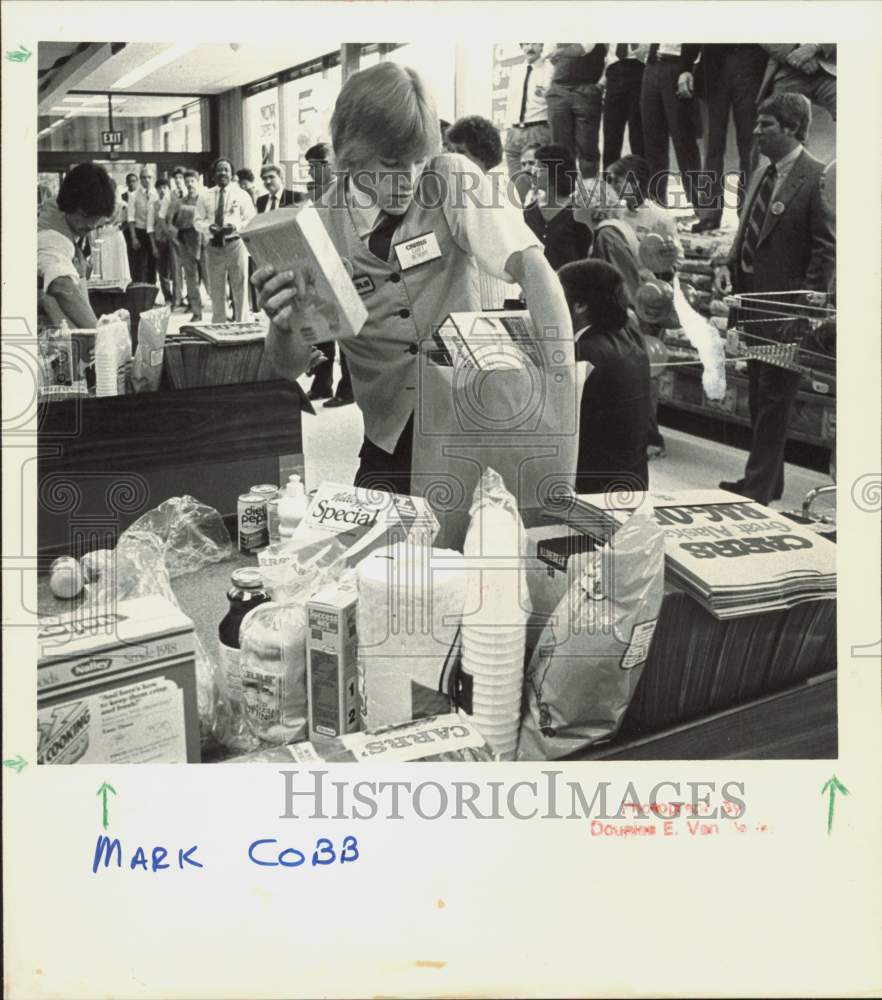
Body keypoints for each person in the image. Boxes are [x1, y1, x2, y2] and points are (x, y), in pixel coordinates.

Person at [254, 60, 575, 495]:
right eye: (390, 164)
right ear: (349, 154)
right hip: (387, 436)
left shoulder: (450, 178)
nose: (408, 179)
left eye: (418, 161)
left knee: (480, 547)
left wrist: (560, 381)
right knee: (374, 554)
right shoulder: (320, 227)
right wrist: (284, 322)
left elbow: (532, 268)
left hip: (471, 415)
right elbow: (288, 366)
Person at [714, 94, 836, 505]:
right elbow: (747, 226)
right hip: (751, 306)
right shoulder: (762, 174)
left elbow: (825, 250)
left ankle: (758, 488)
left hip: (786, 312)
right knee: (758, 395)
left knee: (774, 401)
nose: (755, 131)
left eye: (765, 124)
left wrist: (804, 311)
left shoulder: (817, 177)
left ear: (790, 128)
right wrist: (728, 265)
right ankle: (767, 479)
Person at [557, 259, 650, 494]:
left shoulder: (583, 355)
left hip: (593, 491)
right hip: (633, 482)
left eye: (557, 295)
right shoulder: (629, 337)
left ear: (579, 306)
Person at [38, 161, 116, 329]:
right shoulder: (52, 237)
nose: (91, 225)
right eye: (84, 215)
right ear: (68, 207)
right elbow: (61, 285)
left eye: (96, 218)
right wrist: (100, 335)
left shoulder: (60, 206)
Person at [640, 44, 704, 212]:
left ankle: (698, 205)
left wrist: (687, 68)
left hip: (678, 67)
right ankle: (657, 203)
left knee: (684, 138)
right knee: (652, 138)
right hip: (652, 65)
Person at [195, 157, 255, 322]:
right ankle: (218, 325)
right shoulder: (204, 196)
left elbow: (251, 219)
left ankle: (242, 324)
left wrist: (236, 227)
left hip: (235, 244)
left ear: (231, 174)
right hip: (213, 246)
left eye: (226, 170)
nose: (223, 173)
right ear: (213, 175)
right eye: (219, 170)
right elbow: (197, 221)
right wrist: (209, 227)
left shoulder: (241, 195)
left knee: (240, 287)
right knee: (216, 290)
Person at [523, 143, 591, 271]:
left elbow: (585, 260)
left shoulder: (578, 213)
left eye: (541, 167)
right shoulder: (528, 213)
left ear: (557, 172)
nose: (533, 171)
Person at [544, 43, 607, 178]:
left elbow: (584, 48)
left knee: (587, 146)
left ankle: (590, 192)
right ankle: (563, 193)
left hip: (585, 88)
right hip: (559, 88)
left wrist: (600, 86)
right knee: (560, 149)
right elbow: (548, 54)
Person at [503, 44, 554, 206]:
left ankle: (539, 221)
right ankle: (524, 218)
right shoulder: (517, 71)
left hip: (538, 128)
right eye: (526, 43)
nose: (530, 47)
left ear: (541, 45)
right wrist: (509, 128)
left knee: (539, 182)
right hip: (515, 130)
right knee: (517, 184)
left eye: (534, 43)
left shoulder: (550, 70)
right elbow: (512, 102)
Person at [757, 44, 836, 120]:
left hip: (830, 67)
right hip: (786, 69)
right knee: (778, 120)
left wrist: (817, 46)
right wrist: (795, 54)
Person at [602, 44, 648, 170]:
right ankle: (610, 180)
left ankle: (641, 181)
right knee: (611, 133)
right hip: (614, 72)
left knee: (638, 134)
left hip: (640, 70)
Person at [170, 169, 205, 321]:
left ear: (198, 182)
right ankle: (196, 311)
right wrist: (177, 240)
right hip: (186, 241)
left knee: (209, 277)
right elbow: (172, 223)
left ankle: (220, 310)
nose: (190, 184)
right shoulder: (180, 202)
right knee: (191, 277)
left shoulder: (204, 199)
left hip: (204, 241)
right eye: (187, 182)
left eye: (192, 181)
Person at [127, 166, 158, 284]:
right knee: (139, 263)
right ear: (140, 179)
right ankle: (139, 292)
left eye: (149, 177)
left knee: (153, 263)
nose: (147, 180)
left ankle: (152, 291)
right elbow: (130, 218)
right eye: (144, 177)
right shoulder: (133, 195)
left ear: (153, 178)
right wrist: (134, 238)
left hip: (154, 233)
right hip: (139, 232)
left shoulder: (157, 194)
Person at [153, 177, 176, 306]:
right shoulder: (154, 205)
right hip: (160, 240)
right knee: (163, 270)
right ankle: (168, 296)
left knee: (175, 268)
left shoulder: (172, 203)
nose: (162, 190)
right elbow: (151, 225)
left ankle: (178, 296)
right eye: (159, 188)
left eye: (164, 187)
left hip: (173, 240)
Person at [120, 172, 138, 276]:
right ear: (126, 183)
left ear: (137, 182)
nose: (131, 183)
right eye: (129, 181)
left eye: (134, 181)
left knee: (138, 255)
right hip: (126, 231)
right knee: (128, 254)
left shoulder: (141, 196)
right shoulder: (122, 197)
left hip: (138, 229)